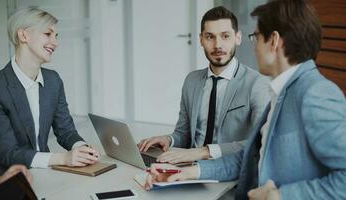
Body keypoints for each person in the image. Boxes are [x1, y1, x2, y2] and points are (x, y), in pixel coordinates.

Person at [145, 0, 346, 199]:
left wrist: (280, 196)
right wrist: (186, 172)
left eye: (256, 37)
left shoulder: (316, 93)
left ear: (274, 41)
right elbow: (250, 158)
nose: (255, 46)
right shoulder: (281, 91)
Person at [138, 6, 269, 164]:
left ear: (238, 38)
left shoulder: (257, 83)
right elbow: (184, 134)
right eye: (209, 37)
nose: (217, 45)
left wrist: (204, 152)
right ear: (201, 39)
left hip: (229, 172)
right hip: (188, 167)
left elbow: (260, 143)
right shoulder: (192, 81)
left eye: (225, 36)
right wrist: (168, 139)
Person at [0, 7, 100, 176]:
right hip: (7, 179)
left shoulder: (53, 80)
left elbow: (66, 131)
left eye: (56, 36)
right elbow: (9, 153)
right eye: (48, 34)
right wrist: (63, 159)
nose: (55, 43)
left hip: (44, 173)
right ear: (23, 35)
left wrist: (82, 149)